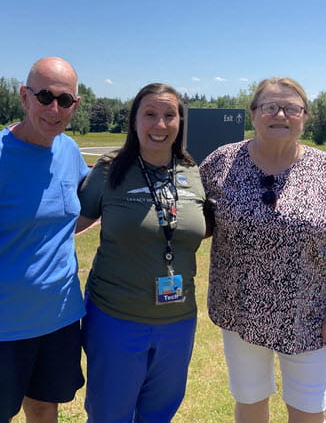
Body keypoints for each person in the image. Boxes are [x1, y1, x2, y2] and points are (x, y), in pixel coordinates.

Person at [199, 77, 326, 423]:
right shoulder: (222, 163)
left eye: (292, 108)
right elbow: (196, 219)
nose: (280, 114)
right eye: (270, 106)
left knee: (308, 410)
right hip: (239, 309)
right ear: (254, 113)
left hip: (308, 315)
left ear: (304, 116)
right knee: (250, 401)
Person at [0, 57, 89, 423]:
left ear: (76, 105)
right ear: (24, 96)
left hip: (60, 317)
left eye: (64, 100)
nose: (54, 108)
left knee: (44, 408)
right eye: (44, 96)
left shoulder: (70, 151)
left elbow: (73, 214)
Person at [77, 83, 208, 423]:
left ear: (180, 122)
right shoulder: (109, 170)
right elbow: (70, 224)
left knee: (159, 414)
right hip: (116, 318)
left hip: (178, 321)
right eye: (150, 114)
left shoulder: (193, 173)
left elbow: (205, 227)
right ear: (134, 121)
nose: (159, 125)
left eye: (169, 115)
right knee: (110, 414)